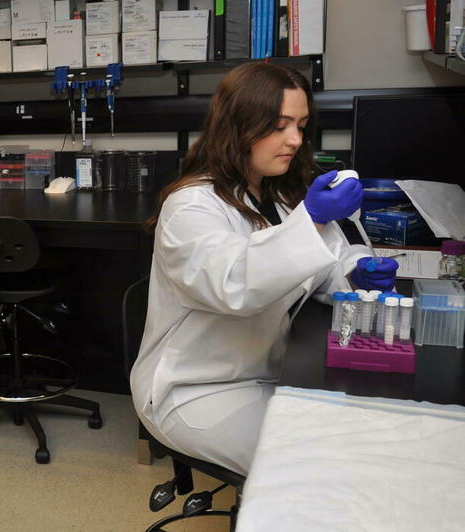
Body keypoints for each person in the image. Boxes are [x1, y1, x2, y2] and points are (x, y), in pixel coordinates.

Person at [130, 63, 398, 475]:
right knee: (309, 471)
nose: (294, 140)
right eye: (279, 125)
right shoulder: (192, 205)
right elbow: (234, 284)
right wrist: (310, 222)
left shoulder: (277, 197)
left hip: (266, 371)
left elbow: (321, 267)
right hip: (196, 389)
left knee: (355, 444)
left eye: (301, 125)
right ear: (239, 126)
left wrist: (356, 271)